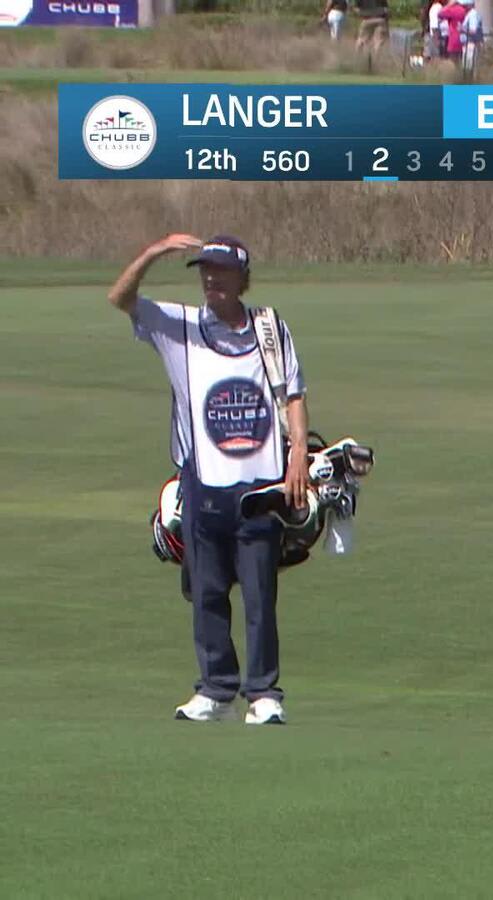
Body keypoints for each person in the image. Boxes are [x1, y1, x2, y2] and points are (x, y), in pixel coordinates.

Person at [108, 234, 310, 726]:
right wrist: (155, 251)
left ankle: (264, 694)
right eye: (205, 270)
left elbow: (293, 394)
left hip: (261, 486)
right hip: (203, 485)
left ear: (243, 278)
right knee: (207, 593)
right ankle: (216, 691)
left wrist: (300, 454)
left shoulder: (270, 328)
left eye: (221, 271)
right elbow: (121, 297)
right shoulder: (178, 325)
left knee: (260, 598)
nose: (211, 279)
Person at [437, 0, 467, 65]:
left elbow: (440, 14)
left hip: (454, 38)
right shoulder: (464, 9)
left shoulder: (453, 9)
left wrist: (448, 5)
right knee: (461, 60)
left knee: (453, 61)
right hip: (464, 37)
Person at [461, 1, 484, 77]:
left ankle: (469, 81)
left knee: (469, 67)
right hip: (470, 43)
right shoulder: (470, 14)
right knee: (470, 66)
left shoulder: (472, 15)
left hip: (471, 44)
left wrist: (461, 29)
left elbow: (473, 30)